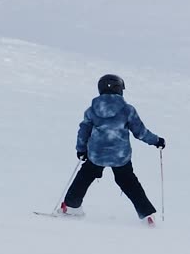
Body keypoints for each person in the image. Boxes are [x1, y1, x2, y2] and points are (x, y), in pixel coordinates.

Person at [58, 74, 166, 224]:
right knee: (129, 183)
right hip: (120, 156)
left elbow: (84, 130)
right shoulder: (128, 110)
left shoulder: (92, 110)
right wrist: (156, 141)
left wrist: (81, 149)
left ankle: (70, 206)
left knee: (84, 177)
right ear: (120, 90)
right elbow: (140, 132)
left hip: (97, 154)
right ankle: (147, 214)